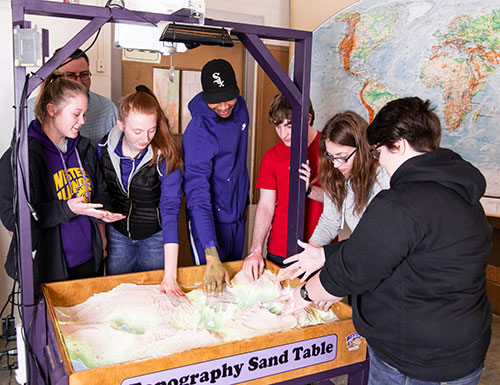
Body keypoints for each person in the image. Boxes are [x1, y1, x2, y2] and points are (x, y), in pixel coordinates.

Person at [279, 97, 492, 385]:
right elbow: (399, 247)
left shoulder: (402, 201)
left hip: (416, 357)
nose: (378, 160)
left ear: (399, 145)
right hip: (466, 348)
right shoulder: (461, 193)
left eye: (379, 151)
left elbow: (357, 266)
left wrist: (303, 295)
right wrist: (325, 255)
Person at [0, 72, 124, 287]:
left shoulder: (83, 149)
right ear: (52, 110)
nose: (82, 122)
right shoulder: (21, 156)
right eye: (76, 114)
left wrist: (101, 213)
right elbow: (15, 219)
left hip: (88, 264)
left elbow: (100, 191)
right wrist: (67, 209)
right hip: (49, 269)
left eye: (84, 114)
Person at [278, 111, 390, 282]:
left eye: (342, 157)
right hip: (360, 260)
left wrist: (325, 257)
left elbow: (379, 238)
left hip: (387, 264)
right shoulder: (335, 174)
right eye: (331, 157)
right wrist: (310, 253)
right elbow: (330, 222)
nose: (337, 165)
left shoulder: (383, 176)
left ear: (362, 148)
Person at [97, 85, 184, 297]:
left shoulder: (166, 156)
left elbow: (171, 211)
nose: (145, 138)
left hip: (155, 237)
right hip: (117, 236)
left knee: (154, 296)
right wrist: (102, 237)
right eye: (137, 131)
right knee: (120, 297)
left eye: (151, 130)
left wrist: (170, 275)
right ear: (121, 125)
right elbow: (100, 194)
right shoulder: (103, 149)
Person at [182, 59, 250, 295]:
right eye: (215, 101)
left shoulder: (240, 108)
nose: (223, 106)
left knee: (233, 286)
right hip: (207, 222)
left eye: (228, 98)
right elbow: (198, 195)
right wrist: (211, 253)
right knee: (210, 287)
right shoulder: (197, 133)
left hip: (237, 218)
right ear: (205, 96)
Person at [243, 94, 324, 281]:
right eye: (278, 126)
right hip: (279, 250)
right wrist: (256, 250)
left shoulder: (328, 149)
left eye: (289, 125)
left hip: (318, 251)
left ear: (308, 119)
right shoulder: (272, 156)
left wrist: (309, 190)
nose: (283, 133)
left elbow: (341, 201)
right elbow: (266, 206)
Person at [28, 48, 119, 147]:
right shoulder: (30, 109)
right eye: (70, 75)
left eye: (84, 75)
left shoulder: (108, 108)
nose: (79, 82)